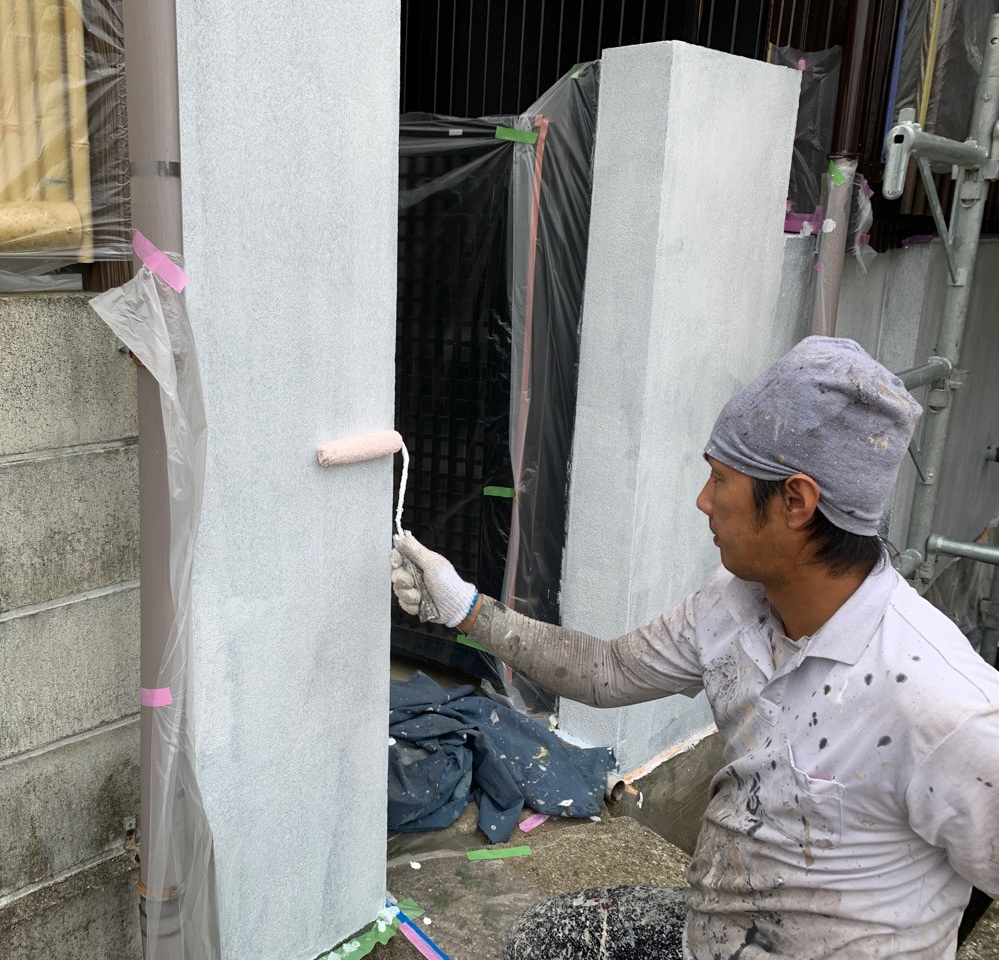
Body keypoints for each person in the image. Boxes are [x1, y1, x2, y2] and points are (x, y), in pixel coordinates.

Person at [391, 337, 999, 960]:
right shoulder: (736, 602)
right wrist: (466, 608)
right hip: (711, 934)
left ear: (796, 501)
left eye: (719, 479)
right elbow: (609, 670)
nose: (703, 501)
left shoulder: (942, 705)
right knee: (549, 938)